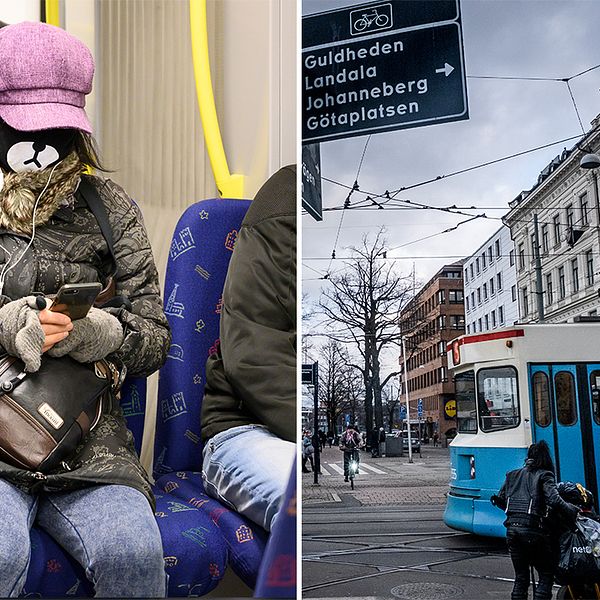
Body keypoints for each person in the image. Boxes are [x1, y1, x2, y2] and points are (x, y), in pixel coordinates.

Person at [0, 22, 170, 597]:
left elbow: (155, 335)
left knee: (135, 554)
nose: (41, 146)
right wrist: (9, 324)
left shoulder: (109, 207)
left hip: (88, 443)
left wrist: (97, 332)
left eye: (57, 127)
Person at [201, 165, 296, 533]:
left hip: (282, 431)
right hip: (241, 427)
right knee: (294, 503)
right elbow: (252, 357)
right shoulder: (285, 200)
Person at [491, 441, 580, 600]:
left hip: (512, 531)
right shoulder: (545, 475)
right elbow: (554, 500)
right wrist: (572, 511)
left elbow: (501, 499)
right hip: (533, 530)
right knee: (546, 574)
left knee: (521, 577)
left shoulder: (512, 474)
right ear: (545, 457)